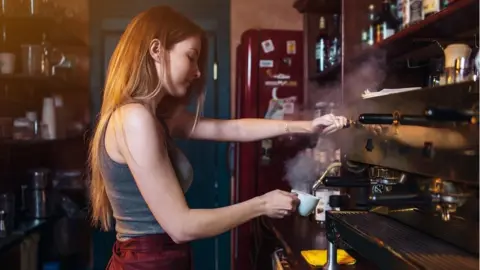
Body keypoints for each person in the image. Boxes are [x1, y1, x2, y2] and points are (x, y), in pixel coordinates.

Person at [88, 5, 348, 270]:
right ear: (156, 50)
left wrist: (308, 126)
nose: (198, 71)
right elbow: (181, 226)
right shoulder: (135, 118)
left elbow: (232, 129)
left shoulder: (155, 116)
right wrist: (262, 204)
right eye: (191, 57)